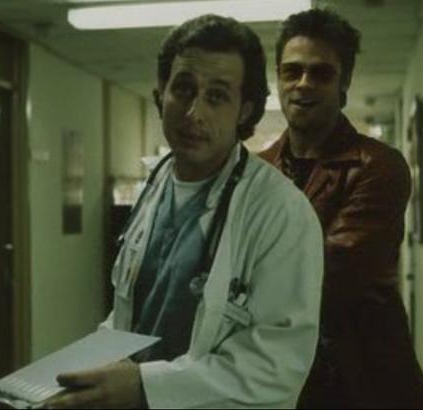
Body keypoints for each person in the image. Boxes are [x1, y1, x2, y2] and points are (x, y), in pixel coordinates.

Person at [46, 14, 324, 409]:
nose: (194, 112)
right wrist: (90, 377)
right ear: (161, 95)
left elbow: (275, 366)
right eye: (183, 89)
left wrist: (146, 387)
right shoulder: (154, 189)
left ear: (245, 110)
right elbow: (132, 313)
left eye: (217, 96)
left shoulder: (281, 212)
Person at [259, 9, 423, 409]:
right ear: (278, 80)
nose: (303, 83)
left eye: (321, 73)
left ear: (344, 84)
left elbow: (329, 274)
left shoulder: (378, 166)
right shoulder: (258, 171)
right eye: (292, 71)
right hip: (280, 378)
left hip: (363, 379)